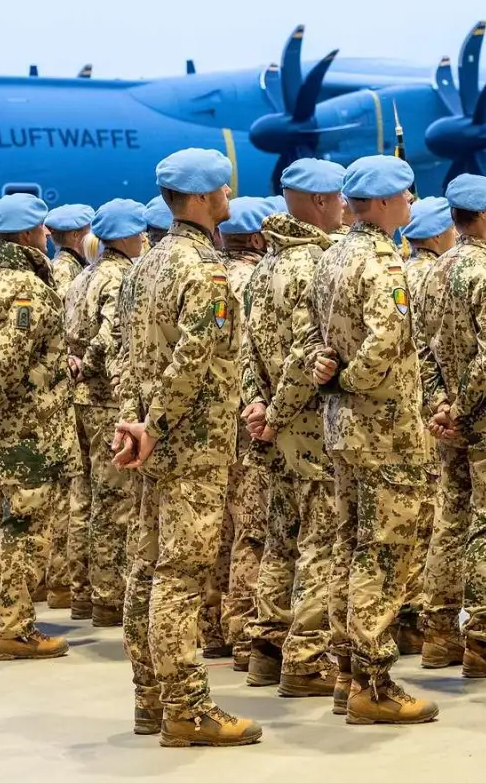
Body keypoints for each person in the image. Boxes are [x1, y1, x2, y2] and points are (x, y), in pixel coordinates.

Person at [112, 148, 259, 747]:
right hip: (189, 445)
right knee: (180, 575)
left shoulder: (144, 266)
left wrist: (133, 422)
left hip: (150, 444)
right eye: (222, 189)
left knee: (147, 568)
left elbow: (123, 354)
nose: (229, 197)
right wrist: (156, 422)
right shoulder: (208, 271)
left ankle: (150, 698)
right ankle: (186, 708)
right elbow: (193, 359)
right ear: (201, 199)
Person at [305, 155, 441, 725]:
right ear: (384, 202)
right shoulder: (383, 264)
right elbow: (387, 339)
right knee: (385, 554)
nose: (412, 204)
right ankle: (372, 684)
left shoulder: (333, 254)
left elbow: (315, 338)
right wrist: (354, 380)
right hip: (383, 430)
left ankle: (344, 672)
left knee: (351, 546)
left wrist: (336, 382)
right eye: (406, 196)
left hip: (342, 428)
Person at [237, 160, 346, 701]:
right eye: (341, 199)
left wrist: (257, 408)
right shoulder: (317, 267)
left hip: (274, 431)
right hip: (310, 429)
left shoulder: (264, 268)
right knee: (319, 544)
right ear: (323, 203)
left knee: (279, 541)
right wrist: (277, 411)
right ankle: (305, 659)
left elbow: (245, 351)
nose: (346, 208)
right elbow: (310, 355)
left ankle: (267, 647)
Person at [0, 193, 77, 660]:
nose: (48, 235)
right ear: (28, 235)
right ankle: (14, 628)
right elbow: (7, 361)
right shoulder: (26, 288)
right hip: (31, 431)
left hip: (2, 430)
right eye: (42, 229)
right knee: (25, 528)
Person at [420, 173, 486, 679]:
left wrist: (439, 403)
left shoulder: (437, 269)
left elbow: (424, 347)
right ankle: (483, 638)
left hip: (450, 422)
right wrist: (461, 406)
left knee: (451, 520)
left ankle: (438, 631)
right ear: (484, 216)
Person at [66, 199, 146, 629]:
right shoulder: (118, 278)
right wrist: (89, 365)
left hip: (81, 402)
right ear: (128, 236)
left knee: (86, 495)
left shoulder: (86, 275)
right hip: (105, 401)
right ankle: (108, 595)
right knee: (114, 501)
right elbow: (108, 336)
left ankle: (82, 589)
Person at [210, 196, 276, 666]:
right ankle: (244, 630)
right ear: (258, 238)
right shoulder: (257, 280)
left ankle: (213, 626)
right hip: (253, 418)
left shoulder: (207, 275)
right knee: (254, 530)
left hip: (215, 420)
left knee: (222, 526)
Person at [397, 197, 454, 658]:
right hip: (425, 415)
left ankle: (410, 615)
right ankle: (414, 617)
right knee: (425, 519)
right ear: (437, 236)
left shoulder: (400, 271)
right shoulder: (435, 275)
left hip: (404, 410)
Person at [41, 203, 93, 613]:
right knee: (80, 497)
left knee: (75, 494)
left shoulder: (60, 273)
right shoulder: (71, 275)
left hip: (72, 393)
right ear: (78, 236)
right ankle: (68, 582)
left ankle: (62, 583)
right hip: (80, 388)